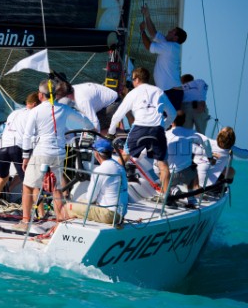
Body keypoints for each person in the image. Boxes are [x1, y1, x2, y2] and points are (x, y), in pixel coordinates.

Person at [14, 79, 94, 230]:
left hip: (41, 153)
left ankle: (25, 222)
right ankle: (60, 219)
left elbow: (27, 135)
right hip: (58, 153)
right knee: (56, 187)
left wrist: (25, 157)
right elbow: (87, 123)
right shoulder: (64, 109)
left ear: (40, 95)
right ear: (56, 94)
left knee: (28, 186)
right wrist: (82, 132)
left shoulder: (36, 111)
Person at [108, 67, 176, 196]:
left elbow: (117, 116)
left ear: (137, 79)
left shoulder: (133, 93)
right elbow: (172, 114)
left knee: (124, 158)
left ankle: (112, 189)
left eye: (133, 79)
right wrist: (163, 126)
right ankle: (167, 197)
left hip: (139, 128)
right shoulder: (159, 91)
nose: (132, 82)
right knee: (163, 165)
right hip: (157, 130)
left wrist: (111, 133)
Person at [0, 92, 41, 211]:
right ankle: (41, 213)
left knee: (2, 178)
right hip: (17, 148)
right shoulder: (34, 114)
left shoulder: (14, 113)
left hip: (3, 149)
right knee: (32, 181)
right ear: (36, 104)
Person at [66, 138, 128, 224]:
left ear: (96, 153)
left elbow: (90, 198)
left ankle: (55, 232)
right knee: (79, 202)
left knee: (68, 206)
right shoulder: (119, 167)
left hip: (109, 215)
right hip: (121, 213)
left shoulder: (100, 169)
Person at [140, 4, 187, 110]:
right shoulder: (169, 44)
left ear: (175, 37)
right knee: (161, 122)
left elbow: (149, 46)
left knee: (162, 122)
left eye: (172, 31)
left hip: (171, 93)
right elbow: (153, 33)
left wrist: (142, 31)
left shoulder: (170, 47)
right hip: (169, 92)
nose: (169, 31)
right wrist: (147, 15)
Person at [163, 111, 214, 208]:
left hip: (171, 175)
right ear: (184, 121)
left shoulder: (166, 134)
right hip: (187, 175)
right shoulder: (191, 133)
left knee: (161, 169)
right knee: (193, 169)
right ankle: (191, 199)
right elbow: (206, 142)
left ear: (171, 122)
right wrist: (210, 158)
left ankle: (173, 189)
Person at [55, 81, 120, 133]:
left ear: (67, 96)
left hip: (113, 103)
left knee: (100, 128)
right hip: (102, 100)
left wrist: (95, 140)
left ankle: (116, 135)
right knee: (89, 126)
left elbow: (94, 121)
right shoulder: (72, 88)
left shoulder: (82, 101)